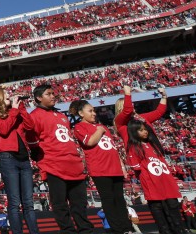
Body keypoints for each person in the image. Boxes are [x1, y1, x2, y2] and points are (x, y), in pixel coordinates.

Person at [27, 84, 93, 234]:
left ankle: (86, 230)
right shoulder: (35, 116)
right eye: (48, 94)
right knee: (60, 204)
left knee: (80, 203)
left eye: (53, 93)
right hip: (54, 165)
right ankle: (68, 231)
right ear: (38, 98)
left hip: (74, 164)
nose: (52, 96)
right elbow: (31, 141)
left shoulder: (62, 116)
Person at [117, 87, 184, 234]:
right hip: (144, 164)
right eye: (126, 106)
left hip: (157, 160)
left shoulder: (141, 120)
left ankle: (179, 229)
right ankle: (164, 230)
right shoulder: (121, 124)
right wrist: (127, 94)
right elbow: (127, 112)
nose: (130, 107)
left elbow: (159, 112)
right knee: (157, 202)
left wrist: (164, 96)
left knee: (171, 200)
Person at [70, 98, 133, 234]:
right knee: (108, 200)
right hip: (100, 168)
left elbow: (113, 148)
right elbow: (90, 142)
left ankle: (127, 228)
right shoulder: (79, 127)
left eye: (94, 111)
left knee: (120, 199)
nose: (94, 113)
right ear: (81, 113)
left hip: (115, 167)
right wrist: (99, 131)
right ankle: (117, 229)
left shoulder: (103, 127)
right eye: (90, 111)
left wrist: (122, 165)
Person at [0, 88, 39, 234]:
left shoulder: (16, 110)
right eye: (6, 94)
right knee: (14, 202)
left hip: (24, 159)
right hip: (8, 159)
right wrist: (15, 111)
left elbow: (30, 126)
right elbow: (3, 129)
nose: (10, 95)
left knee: (28, 203)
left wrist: (21, 108)